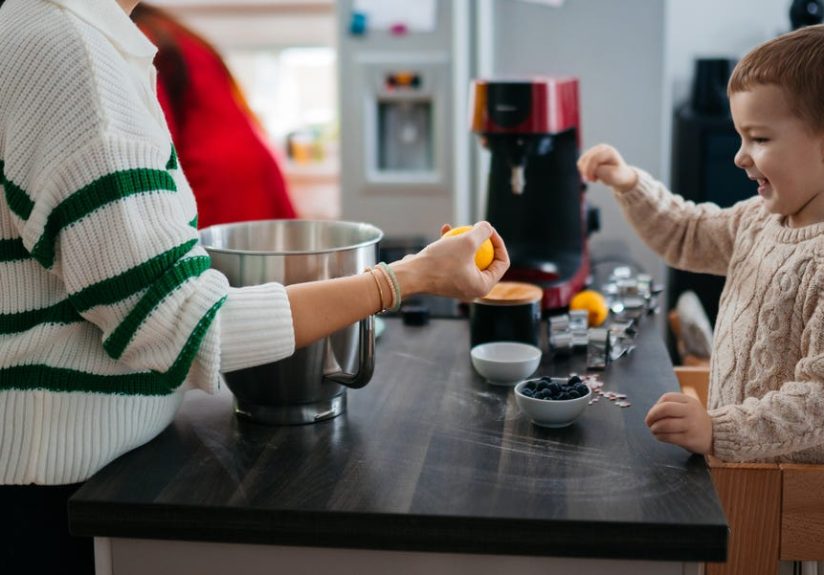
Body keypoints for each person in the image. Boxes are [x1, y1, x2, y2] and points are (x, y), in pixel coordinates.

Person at [0, 0, 509, 573]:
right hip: (61, 498)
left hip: (82, 473)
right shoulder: (71, 52)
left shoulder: (77, 36)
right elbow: (184, 325)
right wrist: (407, 278)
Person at [578, 24, 824, 464]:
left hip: (786, 499)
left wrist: (719, 429)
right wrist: (630, 184)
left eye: (760, 138)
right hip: (735, 468)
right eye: (740, 136)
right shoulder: (757, 220)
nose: (740, 155)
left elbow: (818, 400)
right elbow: (686, 233)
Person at [130, 3, 298, 227]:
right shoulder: (173, 31)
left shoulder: (140, 39)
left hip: (215, 182)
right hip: (254, 167)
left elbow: (157, 140)